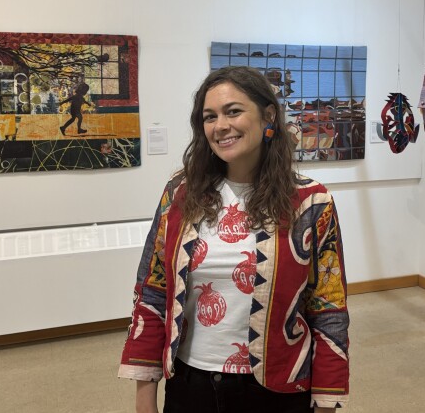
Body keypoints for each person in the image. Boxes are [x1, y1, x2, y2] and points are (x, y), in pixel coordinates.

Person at [119, 66, 349, 413]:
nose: (220, 125)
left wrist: (327, 403)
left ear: (267, 115)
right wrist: (144, 399)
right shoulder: (180, 195)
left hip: (276, 391)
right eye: (210, 117)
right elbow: (152, 291)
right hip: (190, 385)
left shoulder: (311, 204)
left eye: (233, 111)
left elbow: (328, 309)